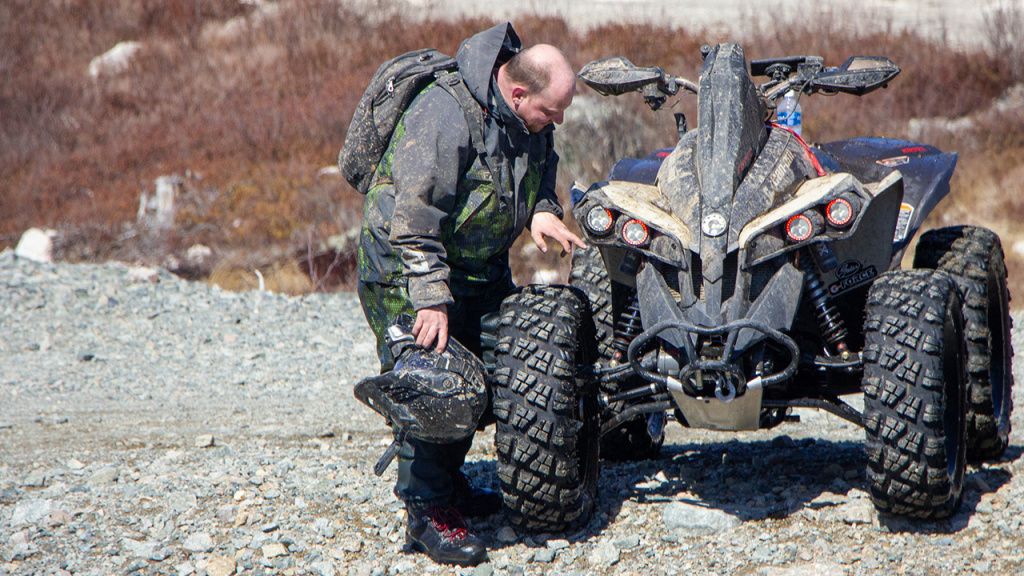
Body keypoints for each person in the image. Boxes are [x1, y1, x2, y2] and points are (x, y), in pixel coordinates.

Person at [356, 22, 584, 566]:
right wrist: (430, 298)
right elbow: (413, 221)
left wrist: (543, 213)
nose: (557, 121)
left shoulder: (529, 123)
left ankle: (448, 483)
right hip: (407, 270)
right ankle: (427, 512)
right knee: (439, 381)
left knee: (497, 373)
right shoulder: (445, 114)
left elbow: (537, 176)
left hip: (477, 268)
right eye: (551, 111)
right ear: (518, 91)